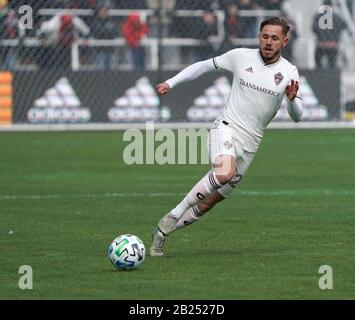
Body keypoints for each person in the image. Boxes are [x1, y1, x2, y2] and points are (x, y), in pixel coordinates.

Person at [149, 17, 303, 256]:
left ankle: (161, 233)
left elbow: (296, 116)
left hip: (251, 143)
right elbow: (203, 65)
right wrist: (171, 82)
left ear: (284, 40)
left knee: (210, 202)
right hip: (226, 128)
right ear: (259, 36)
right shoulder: (241, 56)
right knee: (224, 173)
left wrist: (292, 100)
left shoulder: (289, 71)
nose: (268, 42)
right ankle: (174, 213)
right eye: (264, 36)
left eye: (274, 38)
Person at [312, 0, 347, 69]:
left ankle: (320, 73)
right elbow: (344, 25)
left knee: (318, 63)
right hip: (333, 44)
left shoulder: (318, 16)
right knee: (332, 64)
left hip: (321, 44)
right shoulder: (336, 16)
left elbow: (313, 29)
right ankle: (331, 74)